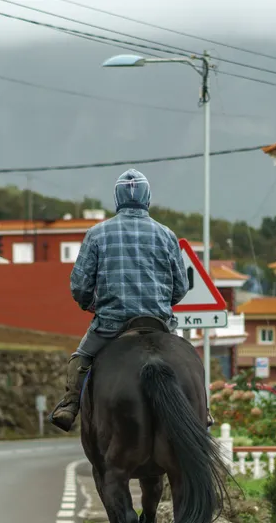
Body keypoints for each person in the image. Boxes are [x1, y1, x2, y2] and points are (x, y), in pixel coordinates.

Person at [50, 168, 190, 432]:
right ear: (147, 199)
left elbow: (79, 287)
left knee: (80, 357)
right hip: (159, 324)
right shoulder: (166, 235)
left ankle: (69, 406)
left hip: (111, 324)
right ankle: (202, 411)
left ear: (117, 199)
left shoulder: (97, 234)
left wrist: (92, 305)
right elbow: (181, 287)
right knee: (188, 359)